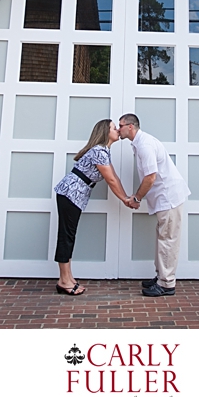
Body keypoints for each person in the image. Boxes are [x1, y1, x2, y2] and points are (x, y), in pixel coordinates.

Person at [53, 119, 134, 295]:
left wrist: (126, 197)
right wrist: (125, 200)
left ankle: (67, 277)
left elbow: (115, 178)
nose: (118, 130)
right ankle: (64, 280)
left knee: (69, 235)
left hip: (74, 196)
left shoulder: (104, 151)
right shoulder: (99, 151)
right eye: (114, 128)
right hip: (70, 194)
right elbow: (111, 180)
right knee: (67, 235)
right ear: (106, 132)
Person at [117, 113, 191, 297]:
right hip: (164, 198)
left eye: (121, 125)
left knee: (168, 240)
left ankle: (166, 284)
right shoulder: (139, 143)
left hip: (169, 197)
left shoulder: (145, 145)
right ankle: (161, 277)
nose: (118, 129)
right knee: (163, 237)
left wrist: (137, 198)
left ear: (131, 127)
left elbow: (151, 177)